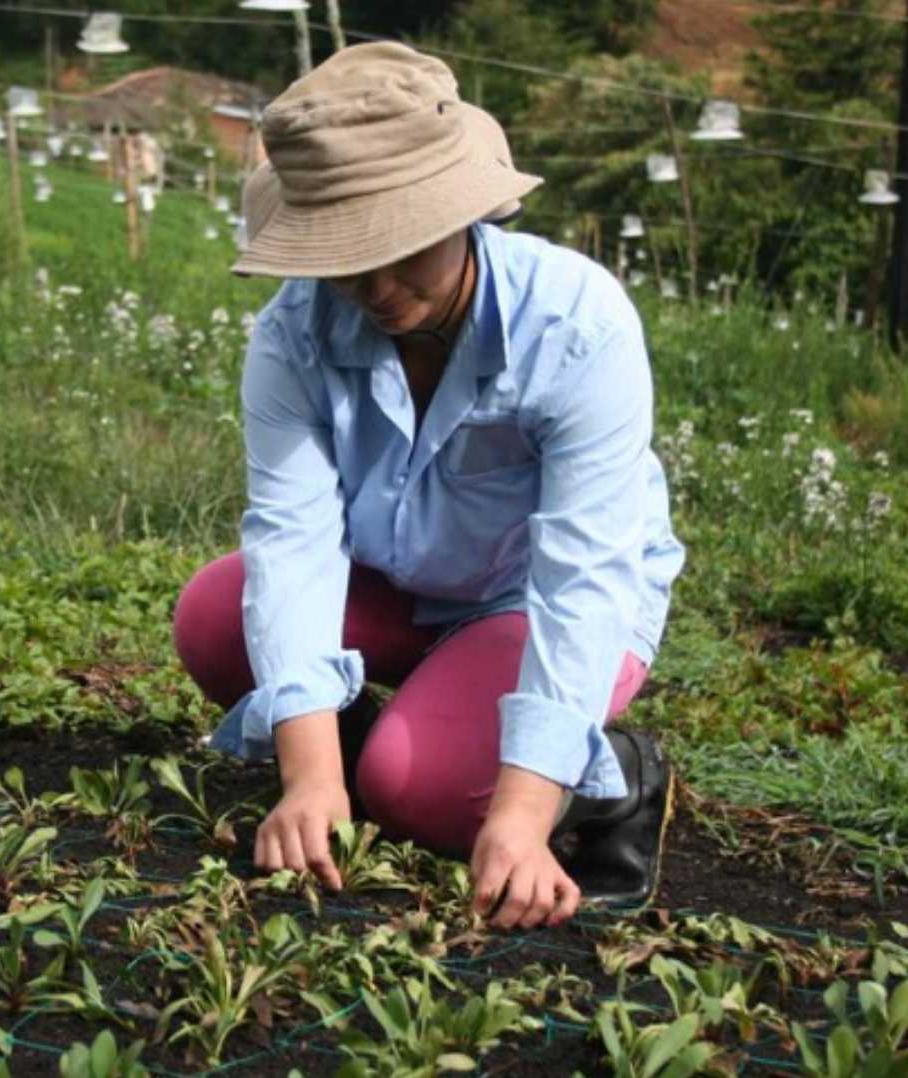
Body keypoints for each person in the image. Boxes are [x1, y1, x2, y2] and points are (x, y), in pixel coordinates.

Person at [171, 42, 686, 931]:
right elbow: (293, 541)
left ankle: (614, 781)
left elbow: (583, 576)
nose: (373, 284)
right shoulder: (293, 336)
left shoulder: (574, 325)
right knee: (216, 620)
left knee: (419, 796)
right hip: (406, 585)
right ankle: (392, 750)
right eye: (341, 254)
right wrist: (311, 779)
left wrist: (524, 817)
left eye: (399, 245)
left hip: (529, 603)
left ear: (462, 212)